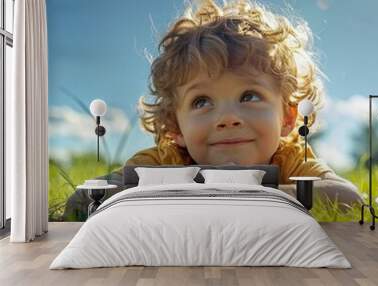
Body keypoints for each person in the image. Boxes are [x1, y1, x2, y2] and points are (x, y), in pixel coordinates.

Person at [63, 0, 362, 221]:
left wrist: (249, 194)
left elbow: (351, 200)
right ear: (174, 127)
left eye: (249, 95)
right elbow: (83, 201)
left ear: (286, 117)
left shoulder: (291, 162)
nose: (228, 118)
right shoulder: (163, 161)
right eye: (201, 102)